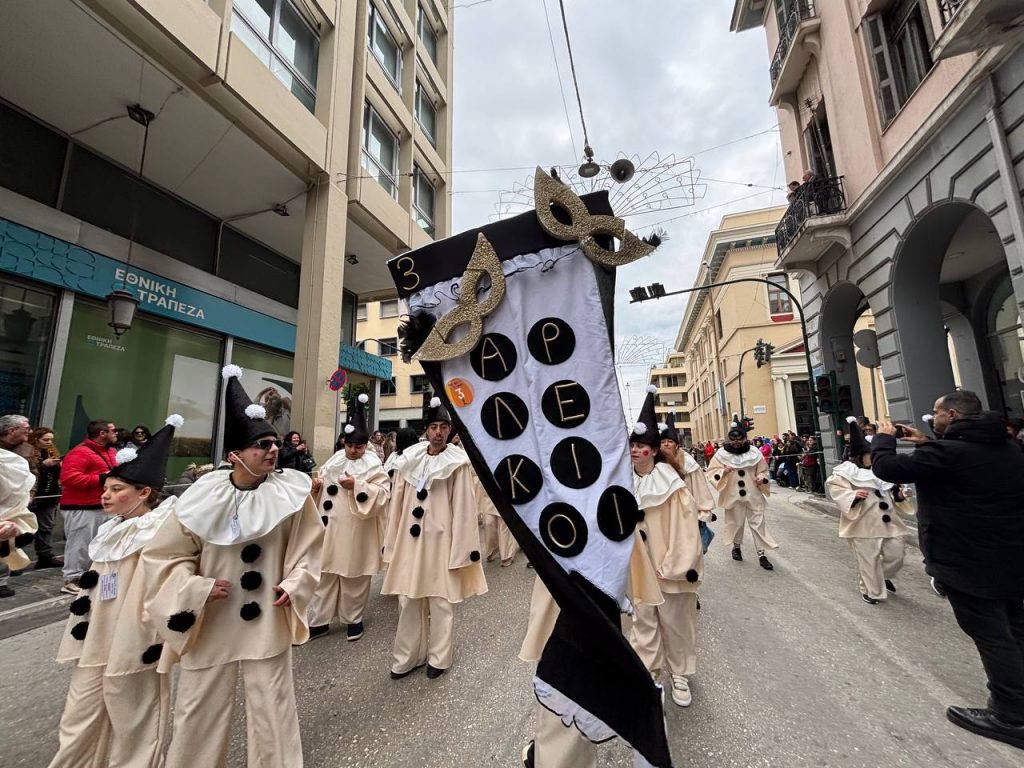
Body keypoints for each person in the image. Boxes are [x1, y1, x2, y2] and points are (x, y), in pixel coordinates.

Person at [141, 365, 323, 768]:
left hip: (266, 618)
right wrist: (196, 590)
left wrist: (295, 584)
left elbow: (309, 550)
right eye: (261, 445)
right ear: (234, 455)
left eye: (274, 443)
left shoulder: (292, 494)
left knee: (273, 707)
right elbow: (165, 557)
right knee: (197, 709)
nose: (272, 450)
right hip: (211, 618)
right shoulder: (199, 497)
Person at [871, 391, 1024, 750]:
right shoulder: (1007, 448)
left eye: (936, 413)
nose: (932, 417)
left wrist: (883, 436)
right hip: (1012, 555)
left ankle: (1010, 715)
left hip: (967, 559)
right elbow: (960, 459)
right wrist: (925, 441)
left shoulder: (948, 455)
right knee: (1015, 627)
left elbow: (886, 468)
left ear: (952, 415)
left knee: (991, 635)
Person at [49, 415, 182, 768]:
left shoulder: (162, 529)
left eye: (116, 490)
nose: (106, 496)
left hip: (135, 639)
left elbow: (178, 579)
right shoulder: (111, 530)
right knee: (77, 719)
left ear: (144, 492)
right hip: (95, 636)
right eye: (106, 490)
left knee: (135, 720)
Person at [382, 397, 486, 680]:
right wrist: (391, 544)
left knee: (441, 600)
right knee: (409, 599)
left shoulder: (457, 463)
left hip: (442, 542)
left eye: (443, 427)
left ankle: (440, 656)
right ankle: (408, 656)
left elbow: (465, 510)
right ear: (426, 430)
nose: (438, 432)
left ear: (449, 431)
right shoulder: (409, 459)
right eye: (433, 427)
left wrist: (462, 552)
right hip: (411, 542)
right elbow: (397, 505)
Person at [631, 393, 703, 708]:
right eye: (631, 445)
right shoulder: (621, 482)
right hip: (636, 570)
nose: (634, 450)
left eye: (640, 445)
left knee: (675, 622)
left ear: (655, 450)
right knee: (642, 623)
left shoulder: (672, 483)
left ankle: (680, 674)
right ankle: (649, 674)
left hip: (666, 566)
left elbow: (686, 531)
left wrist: (674, 564)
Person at [308, 393, 390, 642]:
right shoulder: (335, 460)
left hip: (356, 530)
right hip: (329, 527)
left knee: (354, 577)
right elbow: (323, 487)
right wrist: (316, 488)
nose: (353, 451)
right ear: (344, 443)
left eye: (358, 446)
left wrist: (357, 486)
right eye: (350, 446)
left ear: (365, 445)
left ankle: (353, 618)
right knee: (325, 576)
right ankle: (319, 621)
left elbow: (384, 495)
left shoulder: (374, 466)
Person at [825, 417, 913, 605]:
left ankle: (883, 577)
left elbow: (893, 491)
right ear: (860, 455)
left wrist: (900, 495)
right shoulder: (845, 472)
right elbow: (837, 491)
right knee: (869, 561)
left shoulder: (882, 469)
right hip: (864, 524)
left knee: (896, 556)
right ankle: (871, 591)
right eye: (870, 454)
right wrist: (854, 496)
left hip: (889, 523)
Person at [59, 419, 118, 595]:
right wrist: (102, 478)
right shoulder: (80, 453)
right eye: (112, 430)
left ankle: (89, 575)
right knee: (79, 545)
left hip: (101, 505)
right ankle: (72, 578)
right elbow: (68, 479)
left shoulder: (110, 452)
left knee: (98, 543)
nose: (116, 433)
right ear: (102, 433)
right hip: (81, 506)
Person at [706, 423, 777, 570]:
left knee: (758, 524)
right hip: (733, 496)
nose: (736, 441)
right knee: (736, 524)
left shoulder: (754, 453)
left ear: (745, 438)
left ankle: (762, 555)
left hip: (754, 496)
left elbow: (763, 471)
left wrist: (761, 478)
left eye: (739, 438)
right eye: (733, 438)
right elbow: (712, 471)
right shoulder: (721, 454)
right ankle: (736, 547)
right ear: (729, 439)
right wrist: (723, 472)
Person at [0, 415, 38, 599]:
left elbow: (30, 474)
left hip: (14, 507)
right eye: (26, 428)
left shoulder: (26, 450)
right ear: (12, 430)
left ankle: (2, 579)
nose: (30, 432)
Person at [29, 427, 64, 569]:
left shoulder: (51, 451)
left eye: (51, 440)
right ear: (36, 439)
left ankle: (44, 556)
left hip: (49, 494)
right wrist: (43, 464)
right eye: (46, 439)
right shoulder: (29, 452)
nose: (49, 442)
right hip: (34, 493)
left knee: (46, 526)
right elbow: (27, 470)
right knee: (25, 528)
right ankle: (14, 560)